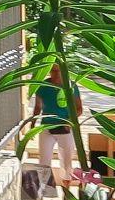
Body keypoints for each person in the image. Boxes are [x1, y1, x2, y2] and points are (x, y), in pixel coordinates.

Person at [33, 62, 85, 193]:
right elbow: (38, 106)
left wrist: (68, 121)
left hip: (65, 128)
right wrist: (32, 124)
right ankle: (42, 189)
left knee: (67, 161)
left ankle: (67, 191)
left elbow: (79, 109)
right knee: (44, 159)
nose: (55, 74)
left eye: (58, 71)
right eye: (53, 71)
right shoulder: (43, 86)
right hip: (46, 127)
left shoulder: (71, 86)